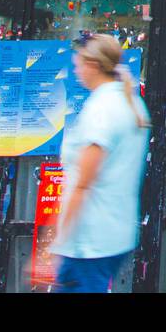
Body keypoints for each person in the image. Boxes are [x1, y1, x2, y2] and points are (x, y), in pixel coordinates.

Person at [51, 34, 150, 293]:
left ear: (93, 65)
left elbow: (83, 184)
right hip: (116, 231)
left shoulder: (102, 110)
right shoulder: (132, 103)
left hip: (89, 238)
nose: (76, 71)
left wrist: (55, 241)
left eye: (78, 65)